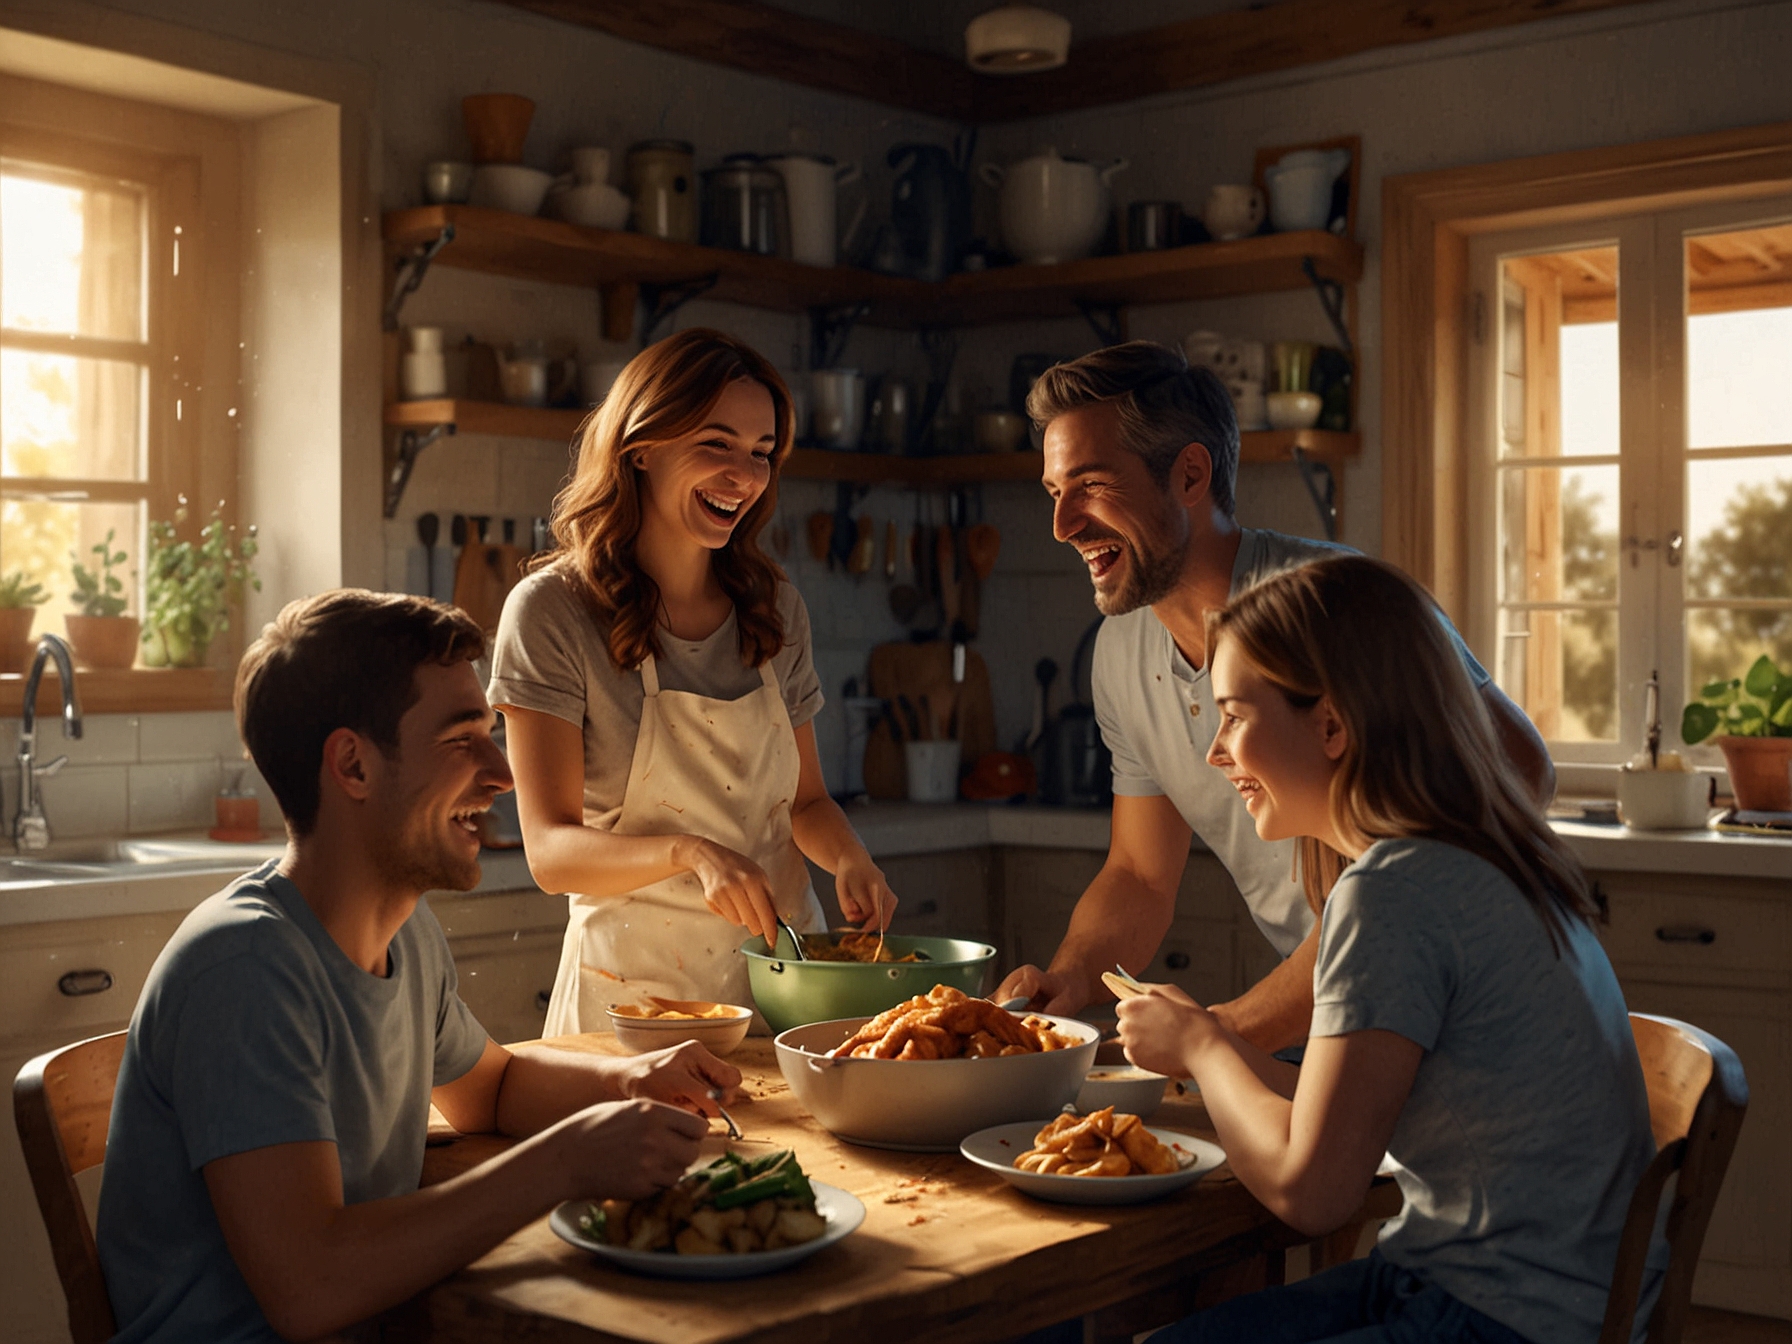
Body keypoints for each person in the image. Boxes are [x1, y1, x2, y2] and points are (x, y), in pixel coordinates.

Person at [96, 591, 738, 1343]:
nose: (502, 774)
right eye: (464, 739)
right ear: (353, 765)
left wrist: (629, 1081)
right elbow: (311, 1287)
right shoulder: (246, 970)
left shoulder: (405, 932)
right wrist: (562, 1162)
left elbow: (491, 1090)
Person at [1117, 555, 1655, 1344]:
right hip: (1501, 1287)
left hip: (1503, 1318)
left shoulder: (1395, 895)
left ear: (1331, 726)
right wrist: (1210, 1057)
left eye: (1233, 715)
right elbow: (1334, 1113)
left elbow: (1313, 1192)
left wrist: (1205, 1048)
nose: (1215, 752)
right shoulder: (1472, 857)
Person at [996, 341, 1553, 1051]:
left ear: (1189, 474)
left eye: (1092, 484)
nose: (1063, 525)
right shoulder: (1119, 654)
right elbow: (1138, 873)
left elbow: (1523, 773)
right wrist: (1070, 979)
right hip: (1326, 1016)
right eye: (1054, 492)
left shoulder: (1333, 602)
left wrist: (1217, 1037)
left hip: (1449, 1015)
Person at [491, 327, 895, 1034]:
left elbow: (806, 803)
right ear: (640, 446)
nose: (743, 475)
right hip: (634, 1005)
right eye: (716, 444)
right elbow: (551, 852)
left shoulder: (774, 609)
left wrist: (851, 858)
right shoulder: (551, 612)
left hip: (785, 992)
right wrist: (691, 852)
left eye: (762, 454)